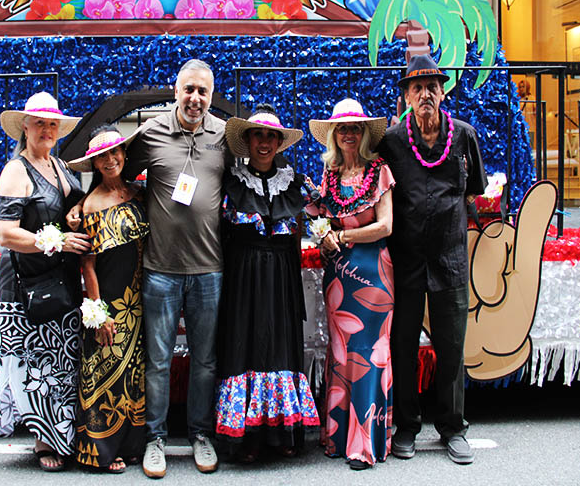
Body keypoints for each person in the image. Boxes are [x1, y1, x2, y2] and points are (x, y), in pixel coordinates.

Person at [123, 59, 231, 479]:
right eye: (188, 89)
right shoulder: (150, 133)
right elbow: (117, 175)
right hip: (160, 269)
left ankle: (201, 434)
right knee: (159, 361)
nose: (195, 98)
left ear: (210, 95)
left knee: (205, 360)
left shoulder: (224, 136)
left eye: (203, 91)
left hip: (209, 269)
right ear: (175, 91)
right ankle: (155, 440)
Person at [376, 54, 487, 465]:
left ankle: (453, 428)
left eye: (432, 86)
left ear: (443, 93)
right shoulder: (391, 141)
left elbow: (472, 190)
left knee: (451, 347)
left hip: (450, 259)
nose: (425, 94)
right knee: (403, 344)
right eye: (416, 87)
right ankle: (406, 425)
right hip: (405, 261)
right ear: (406, 95)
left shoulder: (464, 137)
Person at [0, 92, 91, 472]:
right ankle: (45, 439)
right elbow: (6, 234)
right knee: (36, 361)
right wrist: (58, 240)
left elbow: (73, 202)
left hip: (60, 277)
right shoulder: (16, 170)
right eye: (40, 123)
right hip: (26, 284)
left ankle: (60, 434)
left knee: (59, 357)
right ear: (25, 128)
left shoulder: (58, 165)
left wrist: (76, 213)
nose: (47, 130)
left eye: (52, 125)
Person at [214, 104, 319, 462]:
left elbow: (328, 212)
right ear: (247, 140)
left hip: (281, 277)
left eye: (271, 136)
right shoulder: (229, 183)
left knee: (281, 347)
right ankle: (248, 437)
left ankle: (283, 430)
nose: (264, 142)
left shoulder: (297, 183)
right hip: (243, 278)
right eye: (258, 135)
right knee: (246, 346)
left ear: (279, 142)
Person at [308, 99, 394, 471]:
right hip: (338, 275)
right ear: (333, 134)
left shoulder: (381, 171)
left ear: (363, 134)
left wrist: (342, 238)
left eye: (354, 128)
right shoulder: (328, 175)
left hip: (373, 271)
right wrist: (324, 235)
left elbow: (387, 225)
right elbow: (323, 221)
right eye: (342, 128)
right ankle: (339, 437)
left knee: (369, 350)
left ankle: (365, 443)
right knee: (341, 351)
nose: (348, 133)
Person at [67, 124, 150, 473]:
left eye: (115, 152)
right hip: (109, 305)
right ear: (94, 163)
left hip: (140, 302)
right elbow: (87, 267)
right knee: (104, 372)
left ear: (124, 155)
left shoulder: (139, 194)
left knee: (133, 375)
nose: (110, 158)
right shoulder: (87, 206)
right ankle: (100, 449)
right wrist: (99, 313)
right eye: (102, 155)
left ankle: (131, 445)